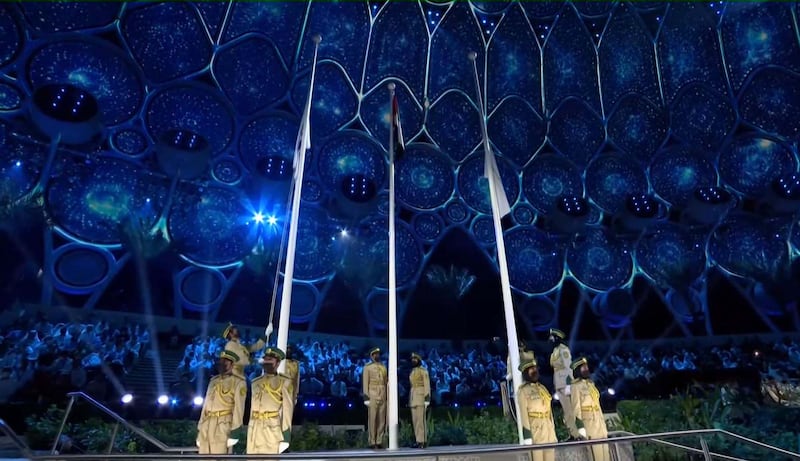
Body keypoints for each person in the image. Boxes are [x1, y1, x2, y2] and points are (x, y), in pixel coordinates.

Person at [196, 350, 247, 455]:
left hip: (223, 424)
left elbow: (238, 409)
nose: (222, 363)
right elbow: (205, 405)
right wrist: (200, 427)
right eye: (221, 361)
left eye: (226, 361)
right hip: (207, 423)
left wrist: (235, 432)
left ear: (232, 364)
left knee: (219, 456)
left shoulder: (238, 382)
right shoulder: (213, 381)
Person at [246, 347, 294, 454]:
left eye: (270, 360)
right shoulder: (255, 382)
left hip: (271, 427)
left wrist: (285, 437)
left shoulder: (285, 382)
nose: (267, 362)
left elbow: (287, 411)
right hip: (254, 428)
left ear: (277, 363)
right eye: (265, 359)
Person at [570, 357, 610, 461]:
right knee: (596, 455)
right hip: (589, 425)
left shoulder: (591, 384)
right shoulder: (575, 386)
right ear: (578, 370)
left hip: (599, 424)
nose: (586, 369)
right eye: (583, 367)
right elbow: (576, 408)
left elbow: (597, 405)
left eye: (586, 367)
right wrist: (580, 427)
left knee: (606, 454)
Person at [516, 359, 557, 461]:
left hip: (548, 430)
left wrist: (553, 430)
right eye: (531, 369)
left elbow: (549, 412)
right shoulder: (523, 391)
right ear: (526, 372)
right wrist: (527, 435)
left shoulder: (542, 388)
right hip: (535, 430)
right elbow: (523, 415)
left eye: (535, 368)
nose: (534, 371)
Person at [549, 328, 578, 439]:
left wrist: (569, 384)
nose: (550, 339)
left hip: (565, 383)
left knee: (570, 411)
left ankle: (576, 434)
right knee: (566, 411)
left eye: (552, 337)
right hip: (558, 382)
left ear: (557, 338)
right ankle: (571, 433)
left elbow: (568, 367)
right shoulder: (555, 350)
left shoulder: (563, 350)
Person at [362, 346, 388, 449]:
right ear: (372, 356)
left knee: (381, 419)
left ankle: (379, 440)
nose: (377, 355)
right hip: (372, 392)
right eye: (375, 354)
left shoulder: (383, 367)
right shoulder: (367, 367)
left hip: (382, 392)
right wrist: (366, 397)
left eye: (378, 354)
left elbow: (386, 381)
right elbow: (365, 382)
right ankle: (372, 441)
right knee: (372, 418)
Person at [408, 352, 430, 448]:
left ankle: (422, 441)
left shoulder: (423, 371)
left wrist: (427, 398)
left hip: (421, 397)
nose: (413, 361)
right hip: (413, 397)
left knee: (421, 421)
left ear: (419, 360)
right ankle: (418, 440)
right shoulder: (412, 371)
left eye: (415, 359)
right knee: (415, 420)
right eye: (412, 359)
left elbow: (427, 385)